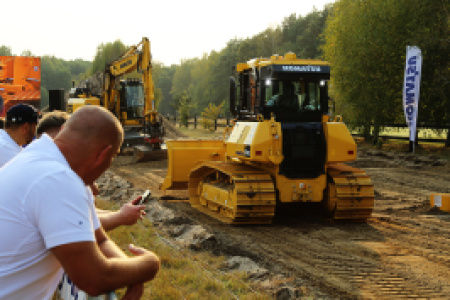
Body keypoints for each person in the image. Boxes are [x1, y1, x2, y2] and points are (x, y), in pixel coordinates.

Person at [0, 106, 160, 299]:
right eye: (113, 158)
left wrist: (132, 276)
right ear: (103, 155)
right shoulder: (57, 178)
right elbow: (93, 279)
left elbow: (99, 239)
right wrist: (150, 264)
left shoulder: (43, 158)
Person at [36, 110, 146, 231]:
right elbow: (78, 227)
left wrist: (121, 213)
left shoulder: (51, 170)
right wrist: (120, 216)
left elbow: (87, 217)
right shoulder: (52, 179)